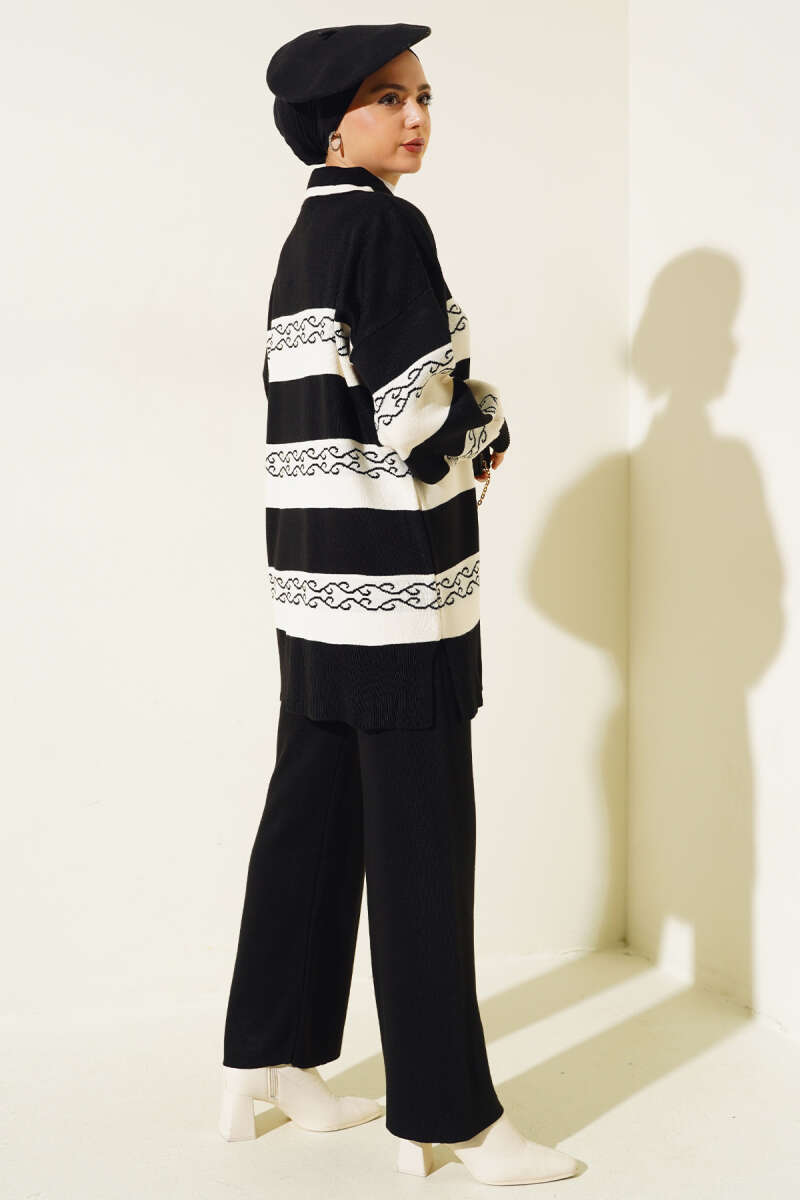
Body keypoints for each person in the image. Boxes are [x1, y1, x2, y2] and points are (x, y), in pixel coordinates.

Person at [218, 23, 580, 1187]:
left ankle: (266, 1057)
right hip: (394, 596)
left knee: (311, 821)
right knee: (421, 849)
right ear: (333, 125)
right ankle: (451, 1118)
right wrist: (489, 418)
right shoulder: (385, 226)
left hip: (313, 585)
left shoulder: (307, 237)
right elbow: (416, 420)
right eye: (387, 98)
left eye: (423, 96)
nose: (415, 116)